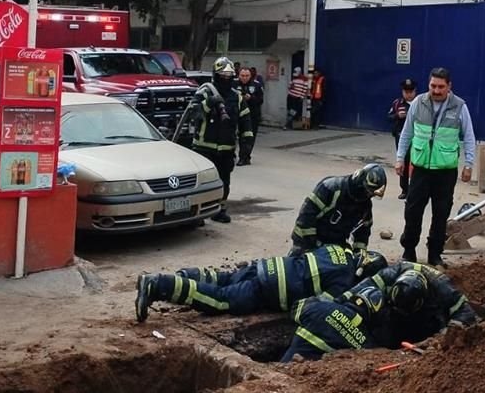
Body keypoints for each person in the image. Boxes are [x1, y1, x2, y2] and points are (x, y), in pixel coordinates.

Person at [133, 244, 388, 322]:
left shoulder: (340, 251)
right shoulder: (344, 281)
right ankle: (158, 285)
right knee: (220, 299)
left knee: (223, 277)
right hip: (269, 289)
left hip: (267, 267)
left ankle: (182, 276)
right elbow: (315, 308)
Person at [395, 67, 476, 267]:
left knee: (441, 214)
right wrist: (399, 159)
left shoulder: (460, 107)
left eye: (441, 87)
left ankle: (435, 254)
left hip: (445, 172)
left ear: (449, 86)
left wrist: (469, 164)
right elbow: (406, 133)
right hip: (421, 168)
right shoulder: (418, 103)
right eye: (433, 86)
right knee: (413, 211)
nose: (436, 90)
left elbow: (468, 137)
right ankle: (409, 250)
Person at [341, 260, 477, 348]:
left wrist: (444, 336)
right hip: (393, 318)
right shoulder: (390, 274)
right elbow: (359, 289)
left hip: (426, 321)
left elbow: (465, 312)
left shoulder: (442, 286)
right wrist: (337, 303)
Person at [190, 57, 253, 223]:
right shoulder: (205, 91)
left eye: (228, 75)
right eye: (222, 75)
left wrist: (246, 146)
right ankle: (199, 213)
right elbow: (192, 113)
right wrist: (209, 103)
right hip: (204, 148)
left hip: (226, 148)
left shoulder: (236, 97)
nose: (225, 78)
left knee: (224, 181)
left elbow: (246, 122)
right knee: (202, 184)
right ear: (216, 75)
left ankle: (219, 210)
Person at [289, 163, 387, 256]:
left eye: (371, 194)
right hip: (306, 241)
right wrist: (312, 247)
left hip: (334, 245)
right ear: (359, 181)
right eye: (367, 191)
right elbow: (306, 216)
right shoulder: (331, 187)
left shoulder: (365, 205)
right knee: (299, 269)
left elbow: (363, 232)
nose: (368, 195)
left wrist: (359, 254)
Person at [280, 286, 385, 362]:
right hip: (312, 382)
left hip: (282, 370)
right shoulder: (366, 344)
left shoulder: (321, 307)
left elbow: (296, 308)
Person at [388, 78, 417, 200]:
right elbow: (388, 116)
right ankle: (405, 189)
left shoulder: (420, 103)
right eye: (406, 91)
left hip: (416, 138)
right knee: (403, 162)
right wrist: (397, 116)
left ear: (415, 91)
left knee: (415, 163)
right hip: (401, 137)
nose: (408, 94)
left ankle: (415, 189)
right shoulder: (397, 103)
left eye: (410, 91)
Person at [233, 67, 264, 166]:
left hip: (252, 115)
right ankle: (234, 155)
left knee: (249, 137)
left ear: (251, 76)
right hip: (237, 114)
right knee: (236, 136)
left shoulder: (256, 85)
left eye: (247, 76)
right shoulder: (234, 84)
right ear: (239, 75)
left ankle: (245, 157)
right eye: (242, 75)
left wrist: (251, 98)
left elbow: (260, 100)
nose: (244, 78)